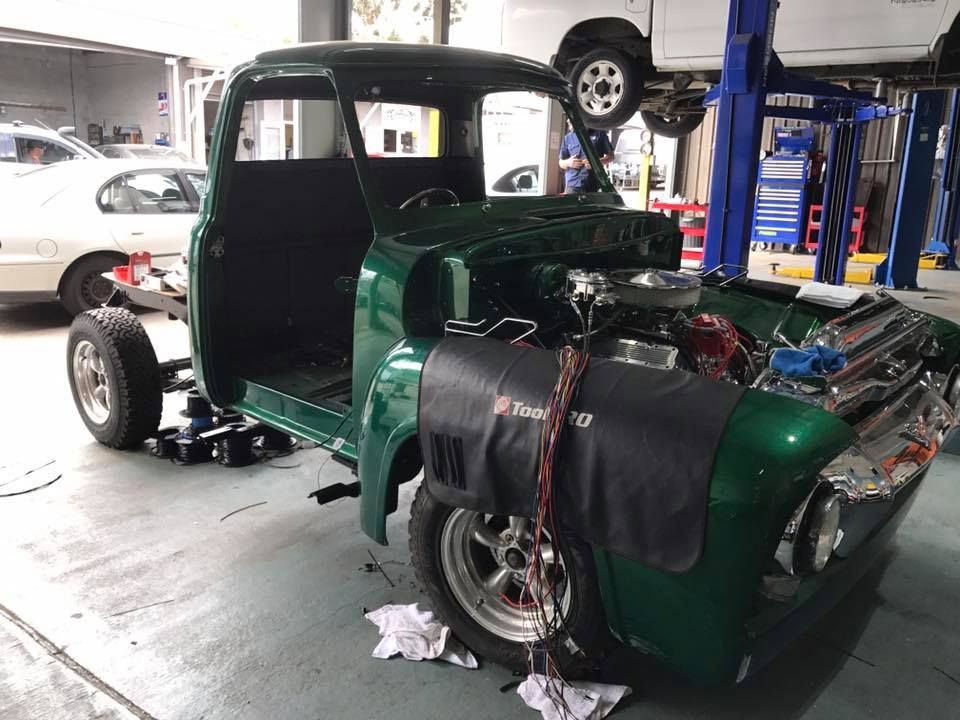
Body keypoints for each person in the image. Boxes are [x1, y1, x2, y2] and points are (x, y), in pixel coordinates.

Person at [558, 121, 613, 194]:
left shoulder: (600, 134)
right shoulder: (568, 138)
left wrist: (597, 163)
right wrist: (568, 162)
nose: (567, 121)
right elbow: (561, 162)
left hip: (593, 184)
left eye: (570, 119)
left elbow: (611, 156)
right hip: (572, 185)